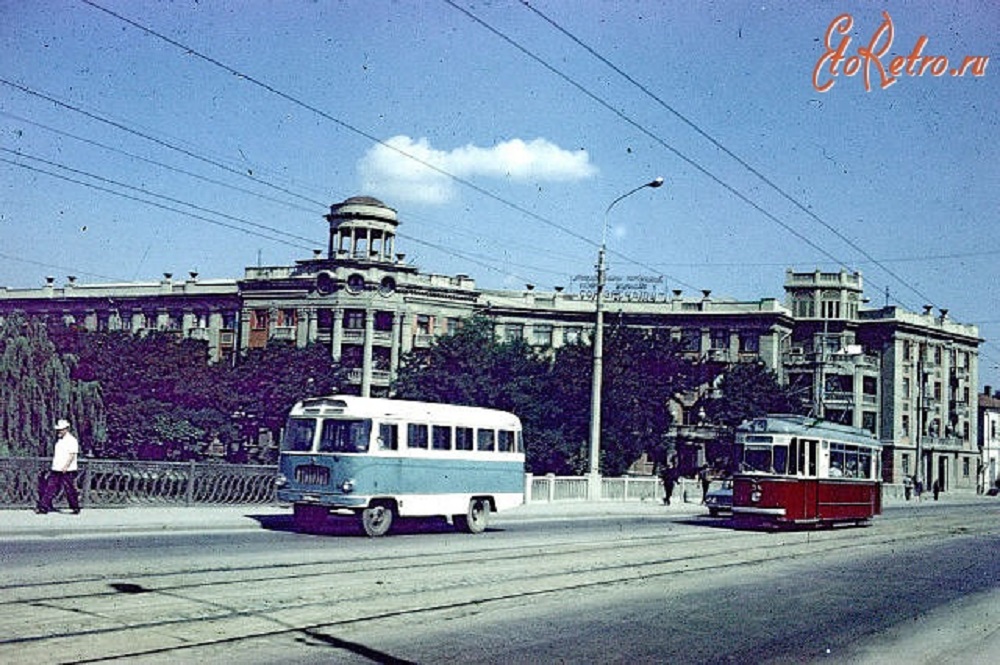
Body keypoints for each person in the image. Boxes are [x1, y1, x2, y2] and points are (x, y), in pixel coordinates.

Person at [36, 419, 81, 515]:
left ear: (66, 429)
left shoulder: (72, 440)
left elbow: (72, 455)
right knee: (51, 487)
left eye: (61, 429)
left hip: (67, 469)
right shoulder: (59, 441)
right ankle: (44, 507)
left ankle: (75, 506)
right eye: (59, 430)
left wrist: (66, 466)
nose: (59, 431)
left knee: (69, 488)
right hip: (57, 468)